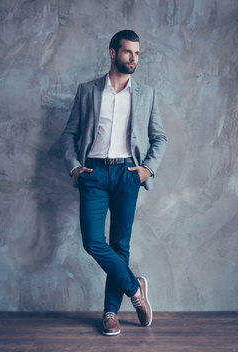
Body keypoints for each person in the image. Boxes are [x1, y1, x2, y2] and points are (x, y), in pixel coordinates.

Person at [61, 30, 167, 336]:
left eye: (137, 53)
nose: (133, 58)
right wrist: (75, 168)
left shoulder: (147, 94)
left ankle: (110, 313)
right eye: (127, 52)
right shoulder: (88, 91)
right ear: (112, 53)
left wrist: (147, 169)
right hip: (93, 174)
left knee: (120, 244)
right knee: (93, 241)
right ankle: (136, 289)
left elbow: (159, 137)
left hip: (127, 174)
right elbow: (69, 134)